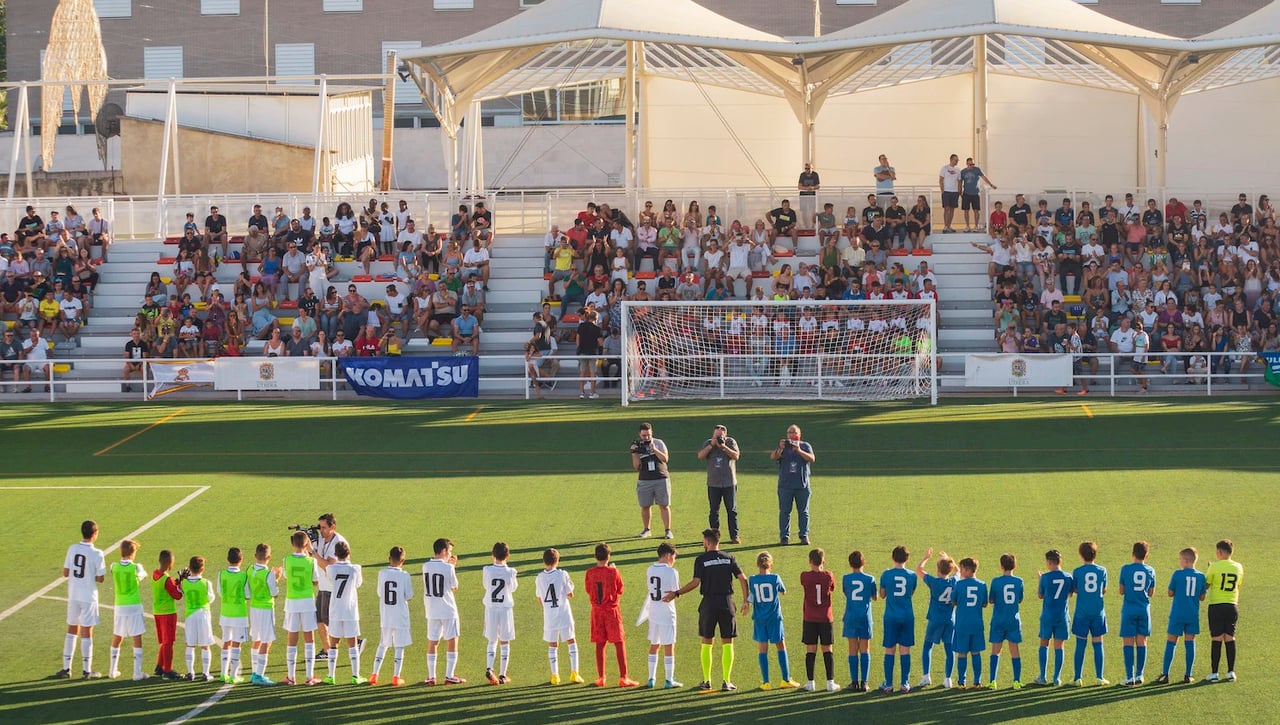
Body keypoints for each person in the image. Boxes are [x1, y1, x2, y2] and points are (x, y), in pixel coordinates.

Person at [662, 528, 749, 693]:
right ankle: (726, 681)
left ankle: (707, 680)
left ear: (708, 542)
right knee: (727, 642)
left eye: (703, 541)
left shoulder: (701, 559)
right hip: (726, 603)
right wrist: (746, 601)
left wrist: (677, 593)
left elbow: (696, 582)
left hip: (709, 603)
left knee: (707, 641)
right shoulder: (729, 558)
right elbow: (743, 579)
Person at [582, 542, 637, 688]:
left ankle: (601, 677)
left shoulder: (590, 573)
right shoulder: (613, 572)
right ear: (609, 556)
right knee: (619, 643)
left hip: (597, 612)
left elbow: (588, 589)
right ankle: (623, 677)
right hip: (611, 611)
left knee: (600, 644)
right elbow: (620, 589)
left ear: (595, 556)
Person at [57, 519, 106, 679]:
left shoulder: (72, 549)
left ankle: (66, 668)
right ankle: (86, 670)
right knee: (87, 631)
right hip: (88, 597)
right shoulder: (97, 553)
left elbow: (65, 572)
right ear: (95, 534)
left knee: (71, 630)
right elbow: (100, 578)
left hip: (73, 595)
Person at [744, 551, 796, 690]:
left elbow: (752, 596)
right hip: (774, 618)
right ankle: (785, 679)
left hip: (760, 619)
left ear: (757, 564)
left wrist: (746, 604)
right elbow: (783, 591)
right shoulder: (775, 578)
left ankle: (766, 682)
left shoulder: (753, 579)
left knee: (762, 649)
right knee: (780, 646)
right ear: (771, 564)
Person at [1157, 547, 1206, 684]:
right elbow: (1202, 597)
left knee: (1171, 642)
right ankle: (1188, 674)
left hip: (1178, 614)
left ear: (1185, 560)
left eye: (1180, 559)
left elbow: (1170, 593)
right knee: (1190, 643)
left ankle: (1165, 674)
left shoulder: (1177, 574)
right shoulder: (1201, 576)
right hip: (1192, 615)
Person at [534, 547, 582, 685]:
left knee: (552, 645)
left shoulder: (539, 577)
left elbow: (539, 599)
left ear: (544, 561)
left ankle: (555, 675)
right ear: (557, 561)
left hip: (549, 615)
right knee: (571, 641)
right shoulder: (562, 574)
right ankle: (574, 673)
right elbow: (570, 594)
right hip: (564, 614)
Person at [422, 537, 465, 685]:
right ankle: (449, 675)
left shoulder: (425, 566)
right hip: (447, 609)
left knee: (433, 642)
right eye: (450, 551)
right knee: (452, 640)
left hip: (432, 610)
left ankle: (431, 676)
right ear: (444, 550)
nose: (450, 554)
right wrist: (452, 567)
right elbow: (454, 587)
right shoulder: (448, 568)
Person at [370, 545, 414, 687]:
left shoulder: (382, 573)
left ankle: (374, 675)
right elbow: (409, 595)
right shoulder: (405, 575)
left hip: (386, 615)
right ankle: (396, 677)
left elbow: (379, 593)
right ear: (403, 561)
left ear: (389, 559)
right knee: (399, 646)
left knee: (383, 644)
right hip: (400, 616)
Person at [324, 541, 366, 685]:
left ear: (335, 554)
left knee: (333, 643)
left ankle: (331, 676)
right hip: (350, 611)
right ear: (349, 553)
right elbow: (358, 584)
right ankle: (355, 676)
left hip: (335, 609)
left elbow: (330, 582)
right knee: (352, 643)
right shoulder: (355, 569)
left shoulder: (331, 569)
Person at [282, 530, 320, 686]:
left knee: (292, 637)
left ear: (292, 543)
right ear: (307, 544)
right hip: (307, 602)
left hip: (292, 602)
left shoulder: (286, 560)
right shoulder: (312, 562)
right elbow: (316, 581)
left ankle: (291, 676)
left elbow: (285, 576)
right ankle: (309, 676)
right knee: (309, 637)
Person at [799, 548, 840, 692]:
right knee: (827, 648)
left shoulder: (804, 576)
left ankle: (811, 682)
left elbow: (805, 583)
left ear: (810, 561)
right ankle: (830, 682)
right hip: (825, 618)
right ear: (823, 561)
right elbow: (833, 588)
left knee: (810, 649)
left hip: (810, 617)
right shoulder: (828, 575)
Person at [878, 545, 917, 694]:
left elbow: (882, 595)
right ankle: (904, 683)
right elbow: (911, 593)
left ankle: (888, 684)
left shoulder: (886, 574)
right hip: (907, 616)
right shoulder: (912, 575)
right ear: (907, 559)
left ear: (892, 557)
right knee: (905, 650)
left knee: (890, 649)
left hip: (891, 616)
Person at [916, 548, 957, 689]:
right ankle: (948, 679)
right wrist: (949, 557)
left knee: (927, 646)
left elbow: (919, 569)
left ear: (938, 569)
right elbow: (958, 572)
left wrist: (926, 557)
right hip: (950, 619)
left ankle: (926, 676)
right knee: (949, 649)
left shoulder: (934, 582)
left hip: (935, 619)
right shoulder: (954, 581)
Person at [107, 539, 148, 682]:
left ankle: (112, 670)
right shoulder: (136, 567)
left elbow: (113, 569)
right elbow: (144, 575)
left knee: (117, 635)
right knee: (136, 636)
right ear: (133, 553)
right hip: (134, 605)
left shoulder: (114, 566)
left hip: (119, 605)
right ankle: (137, 672)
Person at [1070, 541, 1109, 687]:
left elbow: (1075, 589)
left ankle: (1077, 678)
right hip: (1098, 612)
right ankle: (1100, 677)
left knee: (1080, 644)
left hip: (1082, 612)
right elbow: (1103, 589)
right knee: (1098, 644)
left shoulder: (1077, 571)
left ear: (1081, 555)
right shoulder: (1102, 570)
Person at [644, 542, 682, 689]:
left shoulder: (650, 569)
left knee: (654, 644)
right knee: (668, 646)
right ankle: (668, 679)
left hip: (653, 611)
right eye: (674, 557)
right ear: (668, 555)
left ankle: (651, 678)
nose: (674, 560)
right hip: (667, 612)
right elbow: (675, 592)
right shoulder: (672, 572)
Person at [1205, 538, 1243, 683]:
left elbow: (1207, 585)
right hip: (1232, 605)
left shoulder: (1214, 566)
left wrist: (1210, 568)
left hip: (1216, 605)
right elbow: (1238, 585)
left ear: (1220, 552)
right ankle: (1231, 671)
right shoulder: (1238, 567)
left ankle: (1214, 673)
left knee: (1216, 638)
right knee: (1230, 637)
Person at [481, 542, 518, 686]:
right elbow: (513, 588)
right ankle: (502, 674)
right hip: (505, 609)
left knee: (492, 640)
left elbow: (486, 585)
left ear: (493, 554)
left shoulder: (487, 570)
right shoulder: (511, 572)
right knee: (505, 640)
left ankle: (490, 667)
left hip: (491, 608)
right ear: (507, 556)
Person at [1118, 541, 1155, 686]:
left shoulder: (1125, 569)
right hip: (1144, 609)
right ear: (1147, 555)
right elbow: (1151, 593)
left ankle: (1129, 677)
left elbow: (1121, 590)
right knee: (1142, 642)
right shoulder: (1150, 570)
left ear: (1133, 554)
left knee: (1128, 642)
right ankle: (1140, 675)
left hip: (1129, 609)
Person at [771, 425, 815, 546]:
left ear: (799, 434)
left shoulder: (805, 445)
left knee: (803, 512)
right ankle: (784, 537)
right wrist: (780, 448)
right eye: (789, 432)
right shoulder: (784, 447)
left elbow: (812, 458)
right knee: (784, 512)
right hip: (785, 486)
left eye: (793, 432)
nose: (791, 434)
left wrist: (799, 450)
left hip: (802, 486)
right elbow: (773, 457)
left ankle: (804, 535)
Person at [311, 513, 347, 656]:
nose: (321, 531)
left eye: (324, 527)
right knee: (319, 619)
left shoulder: (339, 543)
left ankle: (354, 641)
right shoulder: (321, 539)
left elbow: (329, 567)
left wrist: (313, 553)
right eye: (320, 527)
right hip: (323, 585)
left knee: (330, 622)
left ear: (333, 527)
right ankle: (327, 650)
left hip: (332, 588)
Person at [1034, 549, 1071, 686]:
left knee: (1044, 643)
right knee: (1059, 646)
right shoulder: (1068, 577)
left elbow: (1040, 595)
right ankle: (1057, 678)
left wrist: (1040, 580)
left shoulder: (1045, 578)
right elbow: (1070, 593)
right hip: (1062, 616)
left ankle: (1042, 676)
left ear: (1049, 562)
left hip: (1047, 616)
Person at [246, 543, 282, 686]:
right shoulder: (269, 574)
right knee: (266, 641)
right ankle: (259, 675)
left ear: (255, 556)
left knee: (257, 639)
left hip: (254, 607)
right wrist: (277, 577)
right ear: (269, 557)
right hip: (266, 608)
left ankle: (255, 671)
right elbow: (275, 593)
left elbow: (247, 592)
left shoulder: (249, 569)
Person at [698, 425, 741, 545]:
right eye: (716, 436)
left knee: (732, 510)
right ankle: (714, 536)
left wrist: (724, 446)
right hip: (713, 483)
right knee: (714, 511)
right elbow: (700, 456)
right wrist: (711, 445)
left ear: (725, 435)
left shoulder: (730, 442)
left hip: (729, 483)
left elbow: (736, 456)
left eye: (720, 436)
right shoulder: (708, 443)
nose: (718, 438)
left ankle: (734, 536)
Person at [987, 553, 1025, 690]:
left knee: (995, 650)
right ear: (1014, 565)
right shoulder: (1019, 581)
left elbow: (991, 599)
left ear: (1001, 566)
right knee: (1014, 650)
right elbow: (1019, 599)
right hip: (1013, 620)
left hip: (998, 619)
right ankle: (1016, 681)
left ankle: (992, 681)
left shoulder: (996, 581)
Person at [630, 423, 672, 540]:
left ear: (651, 433)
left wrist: (655, 449)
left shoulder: (659, 443)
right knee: (645, 506)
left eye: (648, 435)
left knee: (664, 505)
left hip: (661, 478)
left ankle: (668, 530)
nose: (646, 438)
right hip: (645, 480)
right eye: (644, 436)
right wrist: (634, 453)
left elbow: (665, 459)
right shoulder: (637, 445)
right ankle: (647, 529)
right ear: (640, 434)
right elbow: (636, 467)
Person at [842, 550, 876, 692]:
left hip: (850, 616)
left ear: (850, 564)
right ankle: (865, 683)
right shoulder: (870, 579)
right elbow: (874, 597)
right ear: (864, 563)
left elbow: (846, 593)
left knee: (852, 649)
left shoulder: (846, 578)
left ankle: (854, 682)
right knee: (865, 649)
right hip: (865, 617)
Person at [951, 557, 987, 690]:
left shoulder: (959, 585)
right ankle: (977, 681)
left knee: (962, 653)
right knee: (976, 653)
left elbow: (953, 601)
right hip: (977, 624)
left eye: (961, 569)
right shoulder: (982, 585)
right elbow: (984, 603)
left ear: (966, 570)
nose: (960, 572)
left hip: (962, 624)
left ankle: (961, 682)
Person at [182, 555, 217, 681]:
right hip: (203, 614)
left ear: (190, 568)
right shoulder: (206, 583)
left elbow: (180, 593)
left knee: (190, 644)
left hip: (190, 615)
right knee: (205, 644)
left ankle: (190, 672)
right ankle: (205, 673)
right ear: (202, 569)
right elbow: (211, 598)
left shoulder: (184, 583)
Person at [218, 547, 250, 684]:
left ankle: (223, 673)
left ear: (227, 559)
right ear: (241, 560)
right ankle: (233, 675)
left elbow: (220, 592)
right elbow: (248, 594)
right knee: (237, 644)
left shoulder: (221, 574)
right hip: (239, 615)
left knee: (226, 642)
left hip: (225, 613)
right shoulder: (243, 576)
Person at [151, 549, 183, 680]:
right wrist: (180, 583)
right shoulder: (167, 579)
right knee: (168, 642)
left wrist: (176, 581)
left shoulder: (155, 574)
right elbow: (177, 595)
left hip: (157, 612)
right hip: (168, 613)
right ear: (171, 563)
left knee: (164, 642)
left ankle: (159, 666)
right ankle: (167, 670)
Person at [959, 157, 997, 232]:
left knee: (976, 210)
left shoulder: (977, 170)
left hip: (975, 193)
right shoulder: (963, 172)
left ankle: (976, 226)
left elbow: (984, 177)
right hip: (966, 193)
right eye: (970, 164)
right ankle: (967, 226)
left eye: (973, 164)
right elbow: (960, 182)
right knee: (966, 210)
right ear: (967, 164)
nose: (971, 165)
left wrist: (991, 185)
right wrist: (959, 192)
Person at [938, 154, 961, 233]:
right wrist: (942, 190)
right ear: (951, 160)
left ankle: (949, 226)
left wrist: (959, 191)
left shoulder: (958, 170)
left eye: (957, 160)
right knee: (946, 209)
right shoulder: (944, 168)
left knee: (952, 210)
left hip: (955, 192)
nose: (957, 161)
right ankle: (945, 226)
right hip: (946, 191)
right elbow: (941, 179)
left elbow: (959, 181)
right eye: (956, 160)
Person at [797, 164, 820, 229]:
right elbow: (799, 186)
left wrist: (812, 188)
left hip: (812, 195)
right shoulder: (802, 175)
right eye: (806, 168)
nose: (807, 170)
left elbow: (818, 186)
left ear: (812, 168)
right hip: (803, 195)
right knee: (804, 211)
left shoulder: (815, 175)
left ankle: (813, 225)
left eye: (808, 168)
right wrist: (807, 188)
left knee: (813, 210)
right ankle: (806, 225)